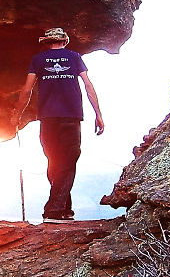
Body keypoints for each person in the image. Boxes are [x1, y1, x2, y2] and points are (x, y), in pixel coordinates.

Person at [10, 28, 104, 224]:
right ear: (64, 41)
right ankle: (54, 210)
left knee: (55, 163)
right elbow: (88, 85)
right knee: (67, 162)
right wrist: (98, 114)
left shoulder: (38, 59)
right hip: (71, 116)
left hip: (48, 118)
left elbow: (27, 90)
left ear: (47, 42)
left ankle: (64, 209)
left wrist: (17, 114)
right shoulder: (74, 57)